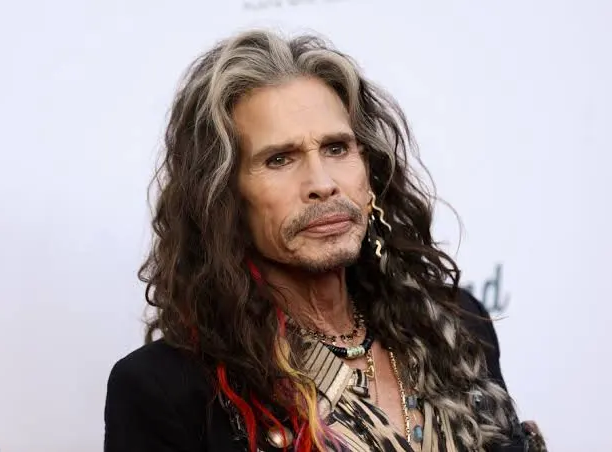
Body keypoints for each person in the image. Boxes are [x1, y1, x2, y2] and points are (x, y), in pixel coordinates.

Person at [104, 29, 547, 452]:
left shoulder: (454, 326)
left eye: (337, 148)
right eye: (280, 159)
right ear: (223, 198)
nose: (322, 183)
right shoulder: (166, 391)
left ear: (369, 170)